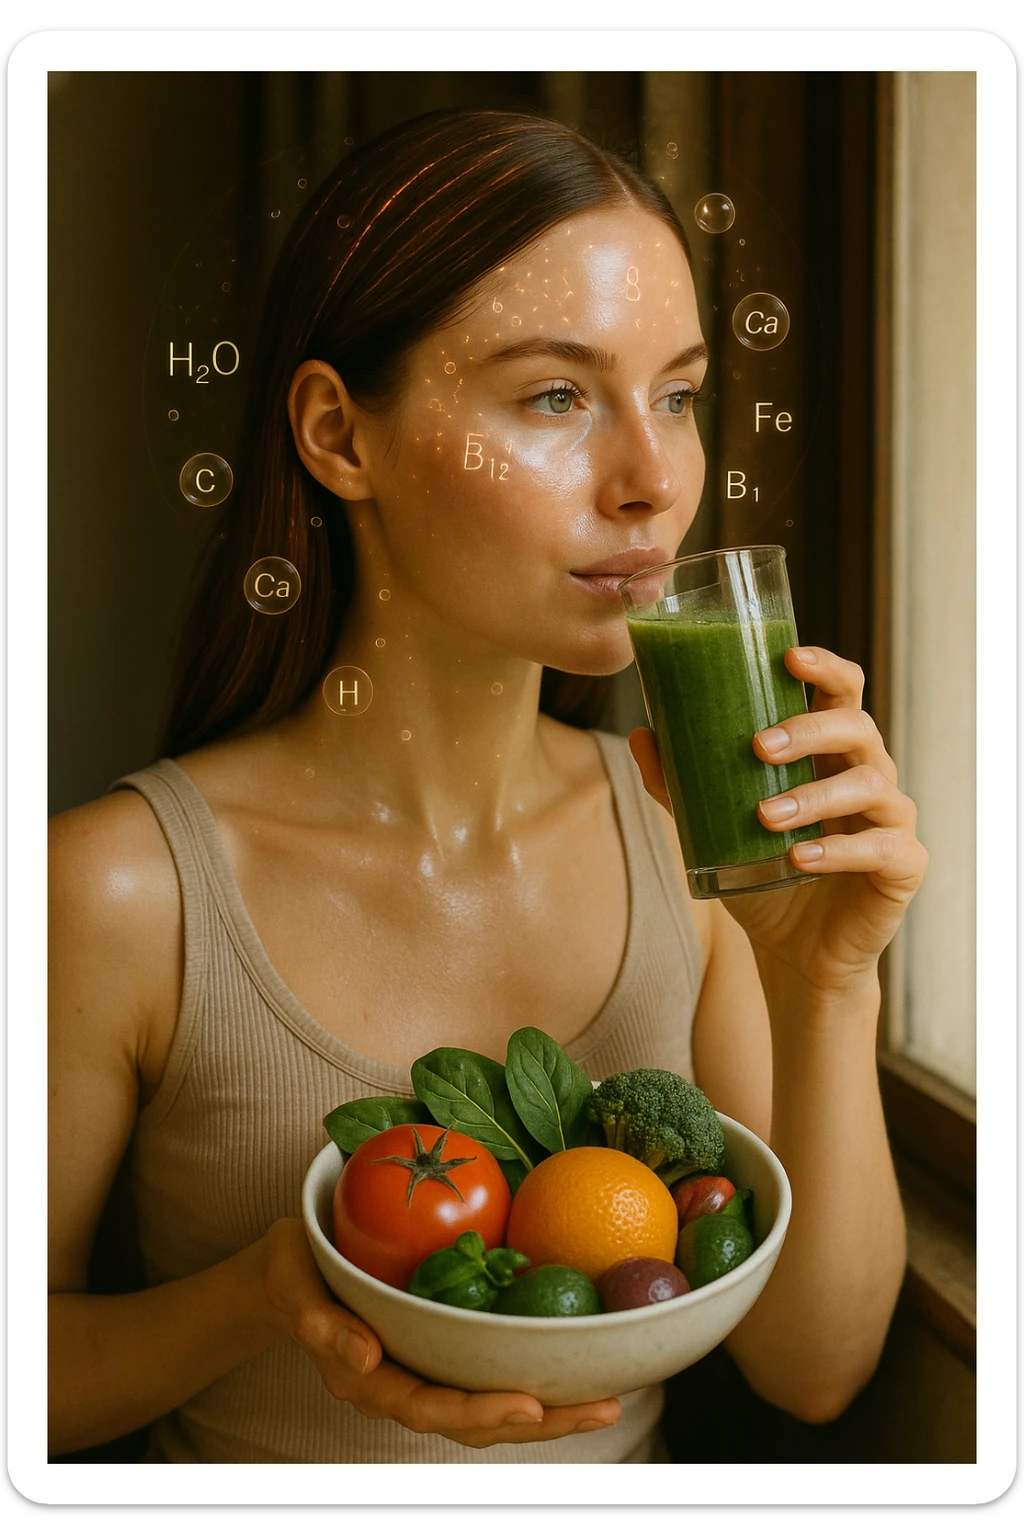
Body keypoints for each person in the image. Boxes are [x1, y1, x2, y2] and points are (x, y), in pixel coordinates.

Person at [48, 108, 927, 1466]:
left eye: (680, 394)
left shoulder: (688, 839)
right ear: (341, 436)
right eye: (558, 397)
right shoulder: (118, 888)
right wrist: (269, 1294)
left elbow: (812, 1371)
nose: (652, 481)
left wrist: (827, 985)